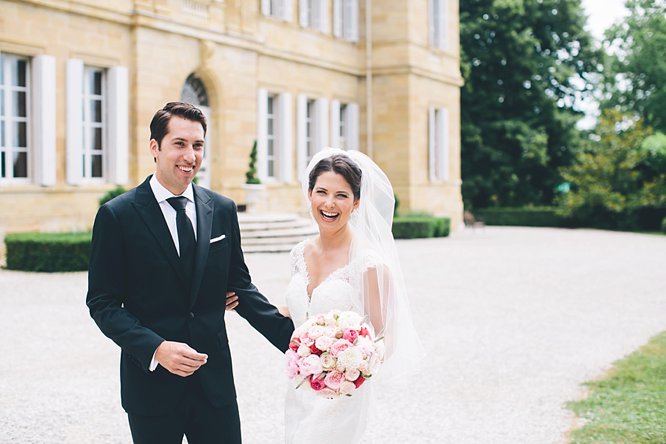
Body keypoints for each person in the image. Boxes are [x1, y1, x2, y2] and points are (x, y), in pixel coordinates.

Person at [86, 101, 294, 444]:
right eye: (179, 144)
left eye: (197, 145)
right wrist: (156, 348)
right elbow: (102, 303)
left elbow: (240, 287)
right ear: (155, 147)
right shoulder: (117, 215)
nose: (190, 155)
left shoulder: (223, 209)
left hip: (214, 386)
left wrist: (301, 345)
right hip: (151, 386)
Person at [227, 148, 424, 443]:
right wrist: (245, 301)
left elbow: (386, 335)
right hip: (300, 383)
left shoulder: (368, 263)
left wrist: (352, 368)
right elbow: (305, 310)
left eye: (341, 195)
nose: (329, 203)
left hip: (343, 393)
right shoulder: (299, 253)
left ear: (356, 203)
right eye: (322, 192)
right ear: (309, 194)